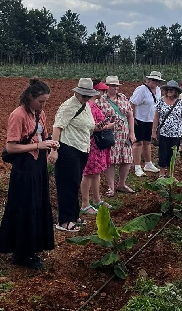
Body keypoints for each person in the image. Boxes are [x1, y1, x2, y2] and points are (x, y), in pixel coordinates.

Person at [0, 79, 59, 269]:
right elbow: (11, 147)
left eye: (45, 101)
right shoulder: (18, 115)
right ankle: (22, 253)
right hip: (24, 168)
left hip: (38, 165)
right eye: (41, 101)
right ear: (30, 97)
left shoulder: (40, 114)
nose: (43, 105)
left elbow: (44, 136)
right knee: (25, 207)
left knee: (38, 205)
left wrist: (51, 145)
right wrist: (38, 145)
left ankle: (34, 247)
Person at [48, 78, 98, 232]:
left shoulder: (85, 105)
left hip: (81, 149)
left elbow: (89, 126)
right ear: (77, 93)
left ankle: (74, 216)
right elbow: (57, 127)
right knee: (67, 185)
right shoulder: (69, 106)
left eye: (88, 95)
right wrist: (54, 149)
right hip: (68, 149)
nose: (86, 98)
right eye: (84, 95)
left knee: (75, 183)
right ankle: (64, 221)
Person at [79, 80, 115, 214]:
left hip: (97, 144)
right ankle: (85, 203)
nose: (103, 92)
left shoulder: (94, 105)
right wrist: (108, 126)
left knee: (96, 172)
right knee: (88, 173)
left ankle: (97, 200)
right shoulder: (89, 107)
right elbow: (93, 127)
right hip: (92, 144)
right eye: (102, 90)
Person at [97, 75, 136, 196]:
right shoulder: (100, 100)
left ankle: (122, 184)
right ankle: (111, 187)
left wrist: (132, 132)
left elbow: (130, 115)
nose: (116, 88)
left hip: (124, 133)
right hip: (110, 134)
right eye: (113, 86)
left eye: (117, 86)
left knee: (127, 158)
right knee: (111, 160)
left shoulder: (123, 98)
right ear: (107, 87)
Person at [129, 71, 164, 177]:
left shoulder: (158, 90)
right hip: (139, 119)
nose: (154, 82)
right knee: (138, 143)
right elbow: (132, 103)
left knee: (147, 142)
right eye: (153, 80)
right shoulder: (141, 90)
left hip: (150, 120)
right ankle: (137, 166)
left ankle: (148, 164)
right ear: (148, 80)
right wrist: (133, 118)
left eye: (157, 80)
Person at [151, 80, 182, 178]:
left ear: (176, 91)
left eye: (172, 89)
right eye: (168, 89)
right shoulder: (161, 101)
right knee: (163, 153)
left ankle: (170, 175)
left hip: (176, 134)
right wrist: (153, 132)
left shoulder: (180, 103)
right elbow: (156, 117)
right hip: (163, 133)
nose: (169, 91)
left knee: (172, 154)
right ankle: (161, 174)